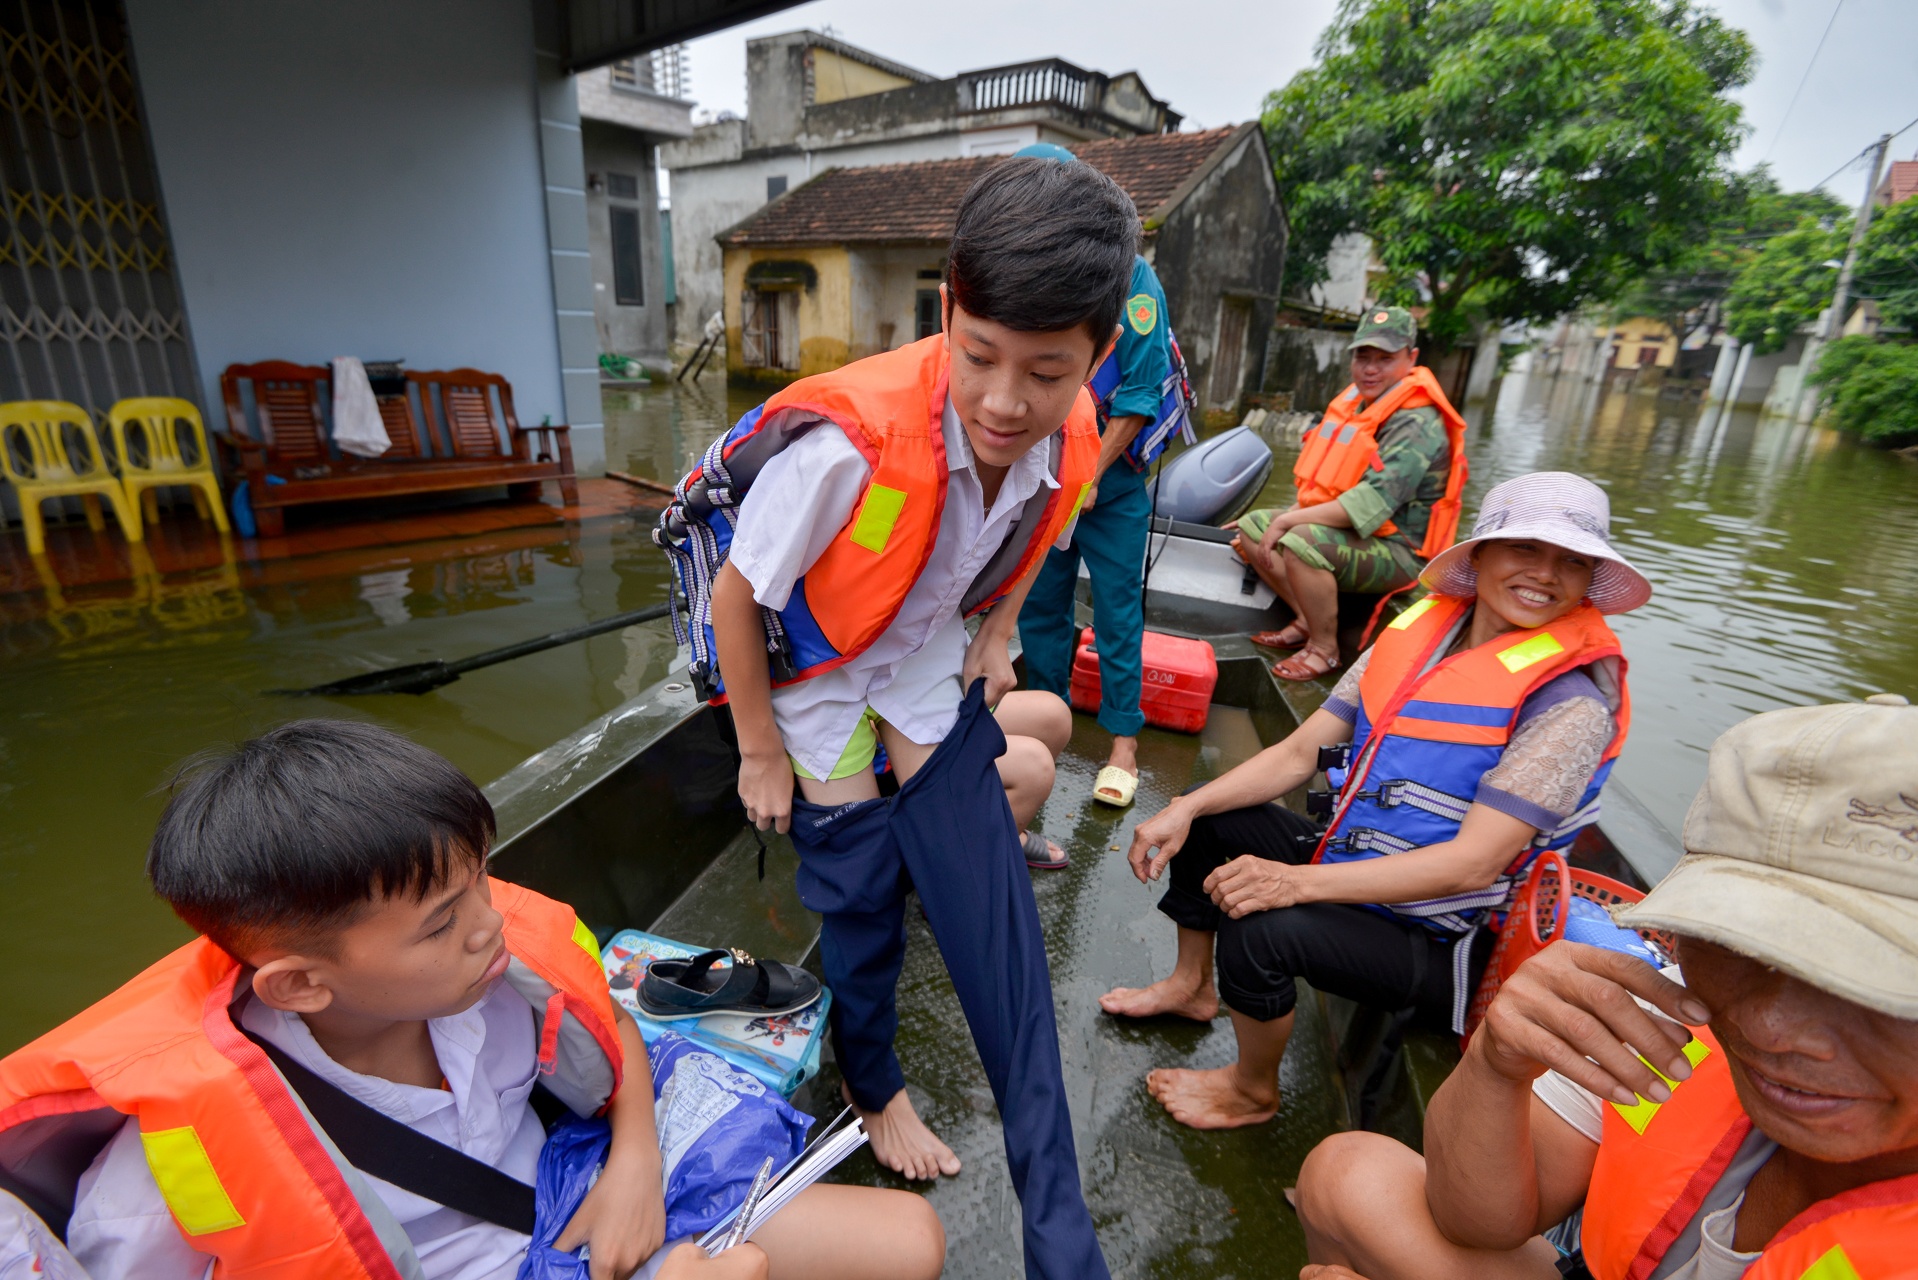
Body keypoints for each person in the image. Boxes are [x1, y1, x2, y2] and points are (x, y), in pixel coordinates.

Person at [659, 156, 1132, 1279]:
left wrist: (998, 625)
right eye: (980, 358)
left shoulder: (1066, 430)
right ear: (948, 312)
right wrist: (758, 747)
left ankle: (1056, 1228)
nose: (1008, 399)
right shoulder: (844, 446)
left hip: (915, 655)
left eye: (1046, 371)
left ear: (1093, 358)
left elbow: (1038, 520)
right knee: (860, 885)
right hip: (810, 680)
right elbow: (738, 597)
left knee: (981, 872)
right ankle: (874, 1085)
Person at [0, 721, 943, 1280]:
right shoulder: (161, 1181)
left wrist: (635, 1165)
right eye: (441, 923)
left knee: (913, 1241)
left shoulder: (484, 988)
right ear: (300, 983)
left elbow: (608, 1024)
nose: (491, 928)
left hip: (578, 1190)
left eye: (480, 888)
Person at [1293, 694, 1918, 1280]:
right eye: (1740, 942)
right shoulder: (1672, 1007)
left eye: (1875, 980)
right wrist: (1494, 1064)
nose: (1766, 1029)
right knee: (1347, 1177)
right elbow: (1474, 1221)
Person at [1101, 472, 1649, 1130]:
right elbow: (1300, 754)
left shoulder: (1571, 704)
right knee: (1212, 817)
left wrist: (1293, 883)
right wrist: (1185, 809)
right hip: (1363, 877)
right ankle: (1192, 987)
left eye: (1573, 561)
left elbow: (1474, 866)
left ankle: (1251, 1092)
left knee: (1261, 928)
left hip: (1449, 937)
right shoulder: (1421, 635)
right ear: (1480, 556)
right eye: (1525, 549)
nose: (1545, 574)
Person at [1014, 143, 1189, 814]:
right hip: (1046, 479)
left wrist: (1088, 475)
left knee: (1117, 612)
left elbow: (1141, 397)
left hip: (1110, 485)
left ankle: (1122, 745)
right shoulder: (1031, 274)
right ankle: (1047, 722)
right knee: (1039, 610)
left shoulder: (1135, 283)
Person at [1233, 305, 1468, 682]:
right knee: (1252, 525)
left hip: (1402, 551)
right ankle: (1308, 620)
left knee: (1298, 540)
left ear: (1411, 358)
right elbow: (1331, 489)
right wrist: (1286, 515)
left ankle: (1325, 650)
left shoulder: (1416, 423)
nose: (1370, 369)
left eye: (1385, 359)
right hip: (1361, 533)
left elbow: (1368, 504)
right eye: (1363, 357)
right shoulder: (1360, 406)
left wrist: (1291, 520)